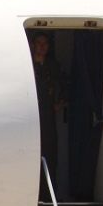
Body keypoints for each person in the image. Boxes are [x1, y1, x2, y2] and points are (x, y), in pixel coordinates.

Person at [30, 32, 66, 196]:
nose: (42, 47)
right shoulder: (28, 65)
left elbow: (66, 83)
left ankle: (49, 194)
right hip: (31, 116)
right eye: (39, 43)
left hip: (47, 116)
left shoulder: (53, 66)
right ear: (33, 45)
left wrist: (60, 102)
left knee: (50, 153)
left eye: (45, 44)